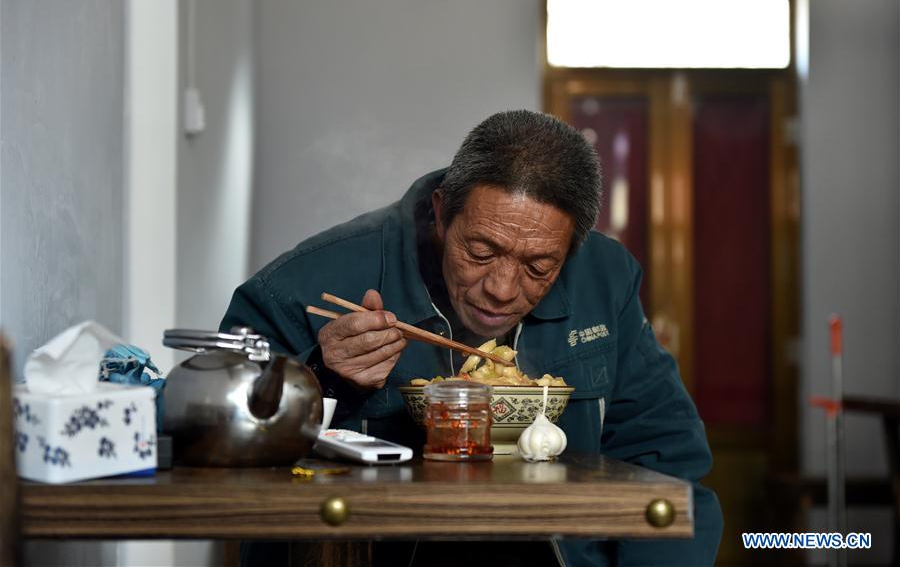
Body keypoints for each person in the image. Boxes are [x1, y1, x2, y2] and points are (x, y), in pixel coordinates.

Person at [221, 109, 723, 566]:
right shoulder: (308, 282)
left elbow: (666, 463)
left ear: (572, 250)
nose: (502, 289)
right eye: (480, 251)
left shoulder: (604, 280)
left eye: (538, 266)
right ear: (441, 214)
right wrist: (320, 379)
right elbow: (217, 451)